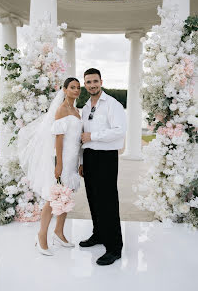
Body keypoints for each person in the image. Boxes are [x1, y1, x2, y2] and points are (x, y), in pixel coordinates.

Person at [18, 77, 82, 256]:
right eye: (72, 87)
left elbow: (77, 140)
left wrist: (79, 163)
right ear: (64, 90)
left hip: (72, 161)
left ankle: (59, 232)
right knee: (51, 198)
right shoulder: (61, 110)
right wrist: (59, 164)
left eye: (78, 88)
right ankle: (41, 236)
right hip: (61, 160)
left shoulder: (76, 111)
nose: (76, 90)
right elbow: (58, 139)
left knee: (66, 197)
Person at [79, 68, 126, 266]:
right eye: (88, 82)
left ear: (101, 81)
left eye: (95, 81)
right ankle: (98, 234)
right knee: (93, 198)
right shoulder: (86, 107)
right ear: (85, 84)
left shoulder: (113, 104)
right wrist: (81, 162)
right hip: (89, 157)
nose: (92, 85)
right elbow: (81, 136)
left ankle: (115, 247)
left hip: (106, 157)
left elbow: (119, 131)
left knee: (107, 201)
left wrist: (93, 136)